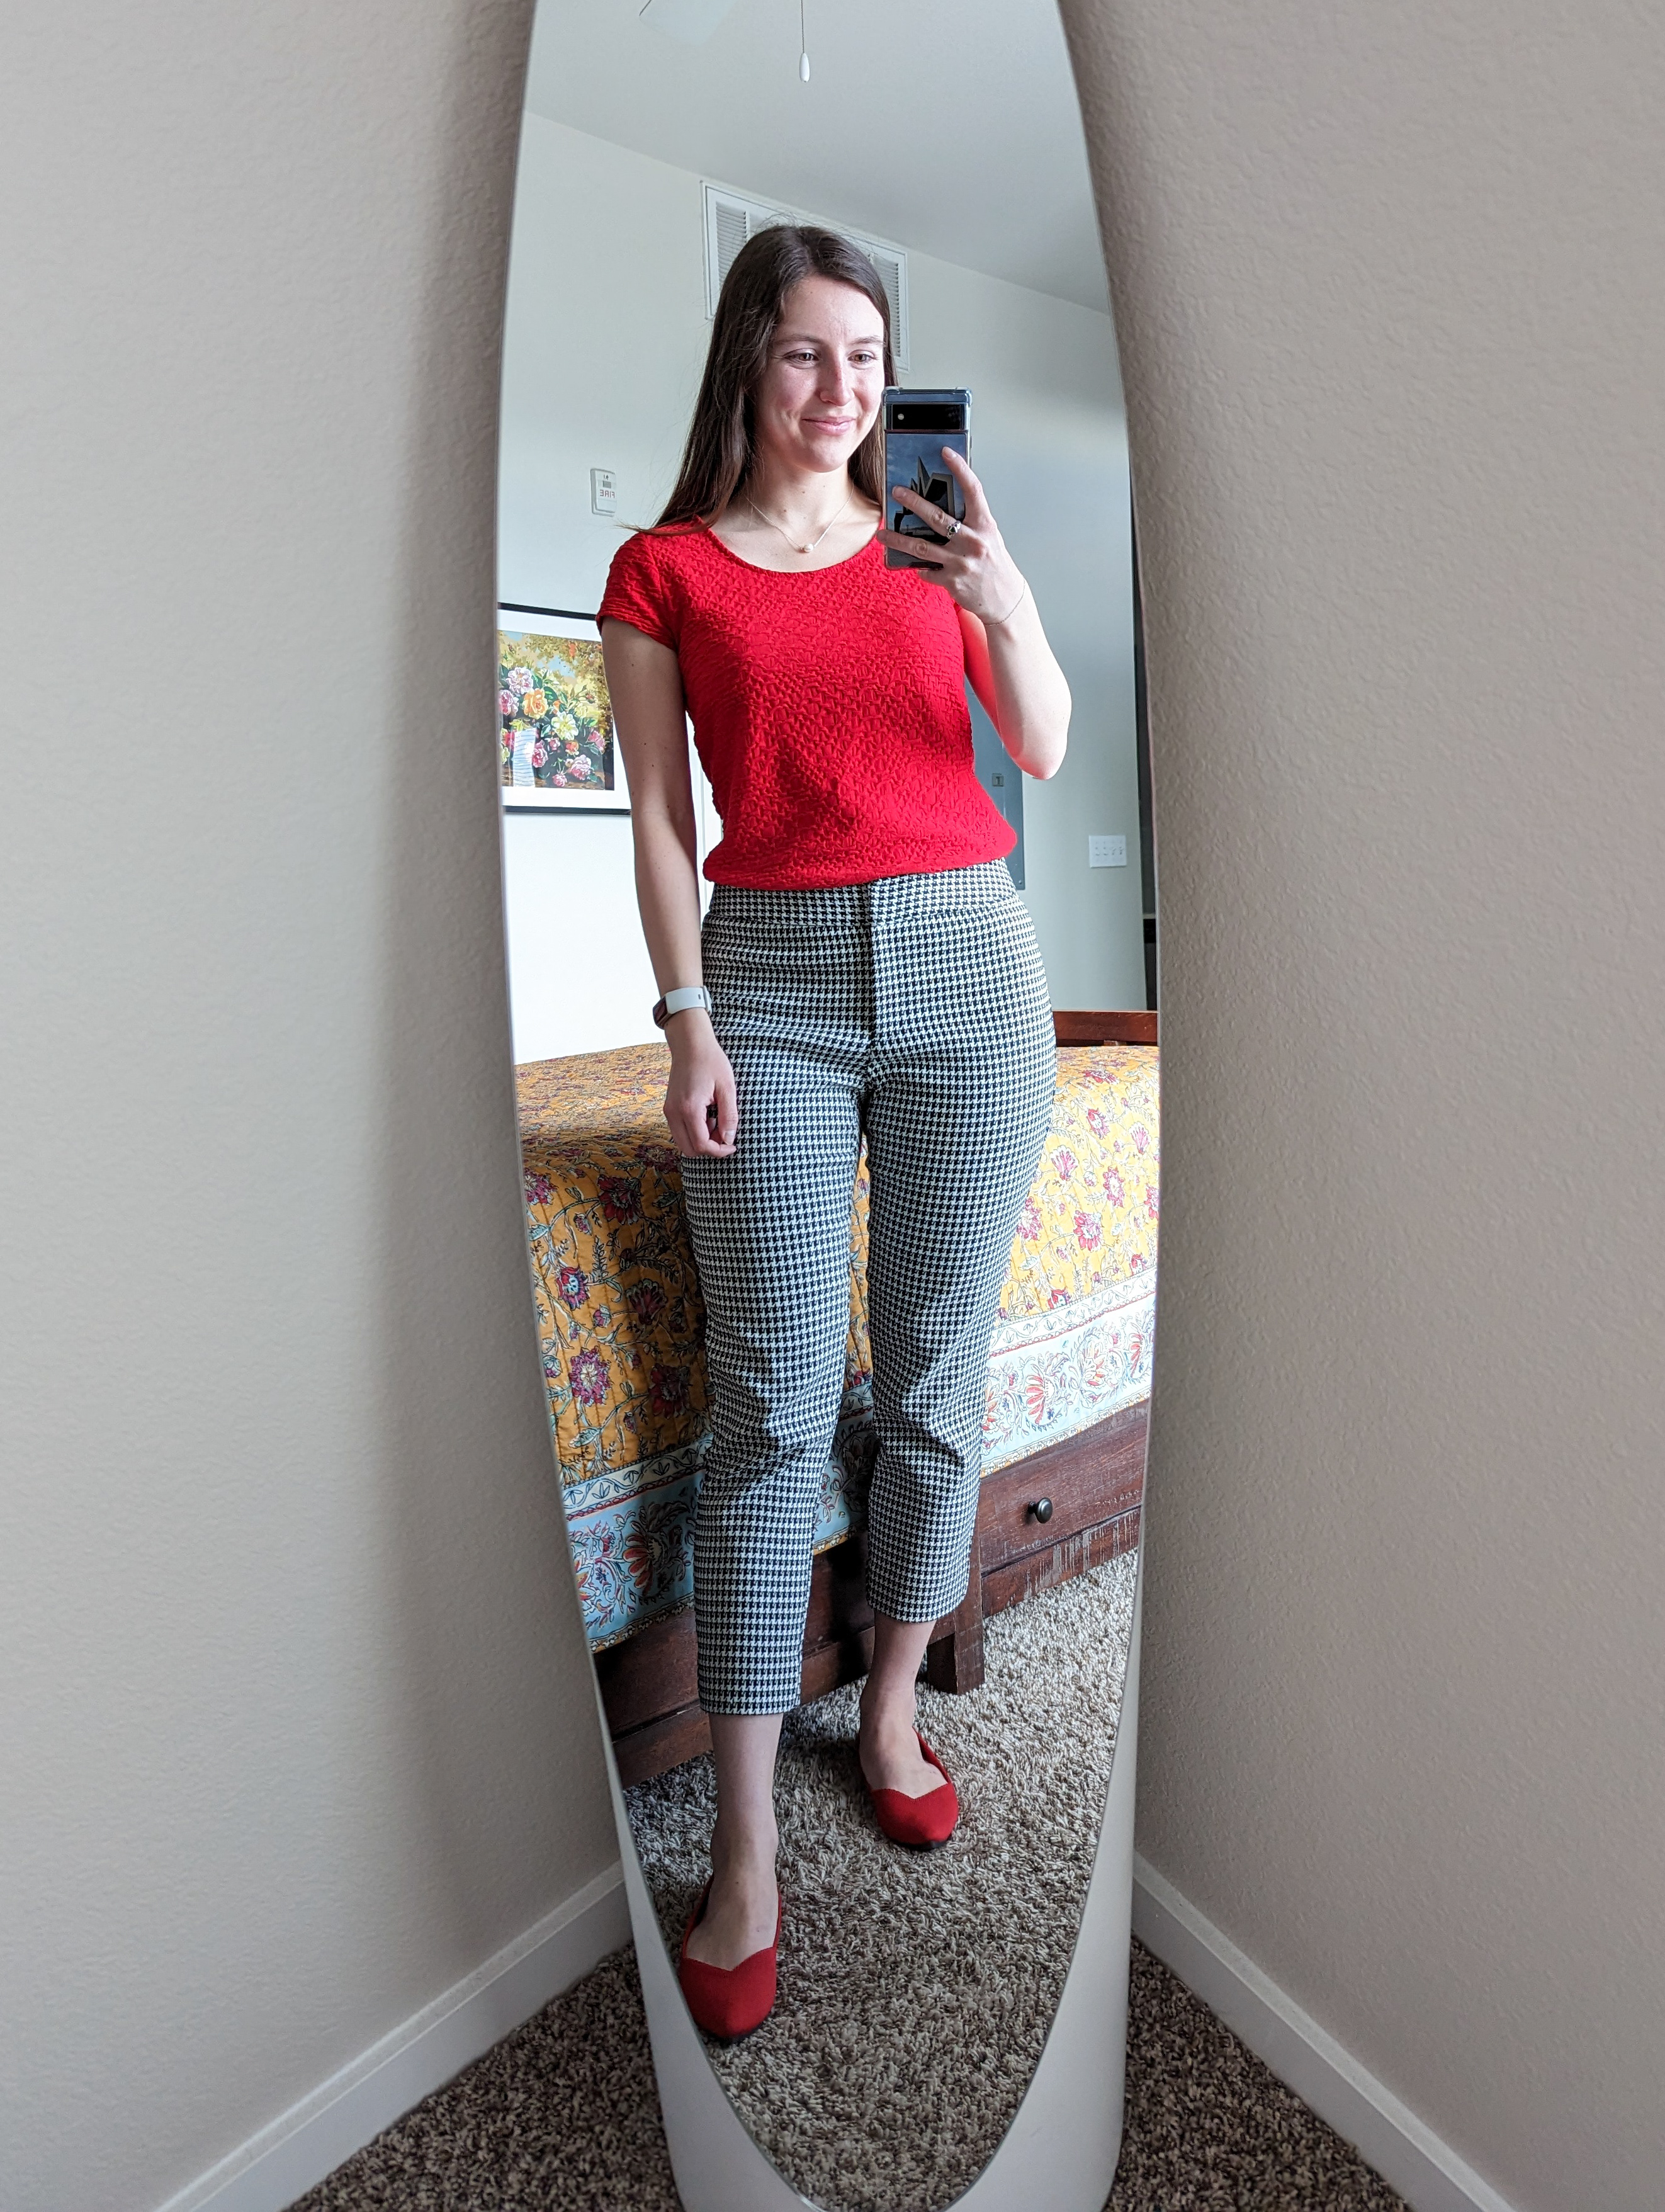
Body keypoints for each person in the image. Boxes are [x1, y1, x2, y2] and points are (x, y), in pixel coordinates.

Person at [599, 224, 1070, 2039]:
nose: (842, 392)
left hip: (971, 961)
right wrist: (686, 1019)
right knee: (778, 1399)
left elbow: (1035, 744)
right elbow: (654, 819)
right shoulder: (665, 569)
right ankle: (743, 1855)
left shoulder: (933, 550)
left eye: (866, 360)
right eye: (807, 355)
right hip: (773, 979)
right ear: (748, 362)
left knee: (938, 1376)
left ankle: (884, 1709)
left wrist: (1009, 596)